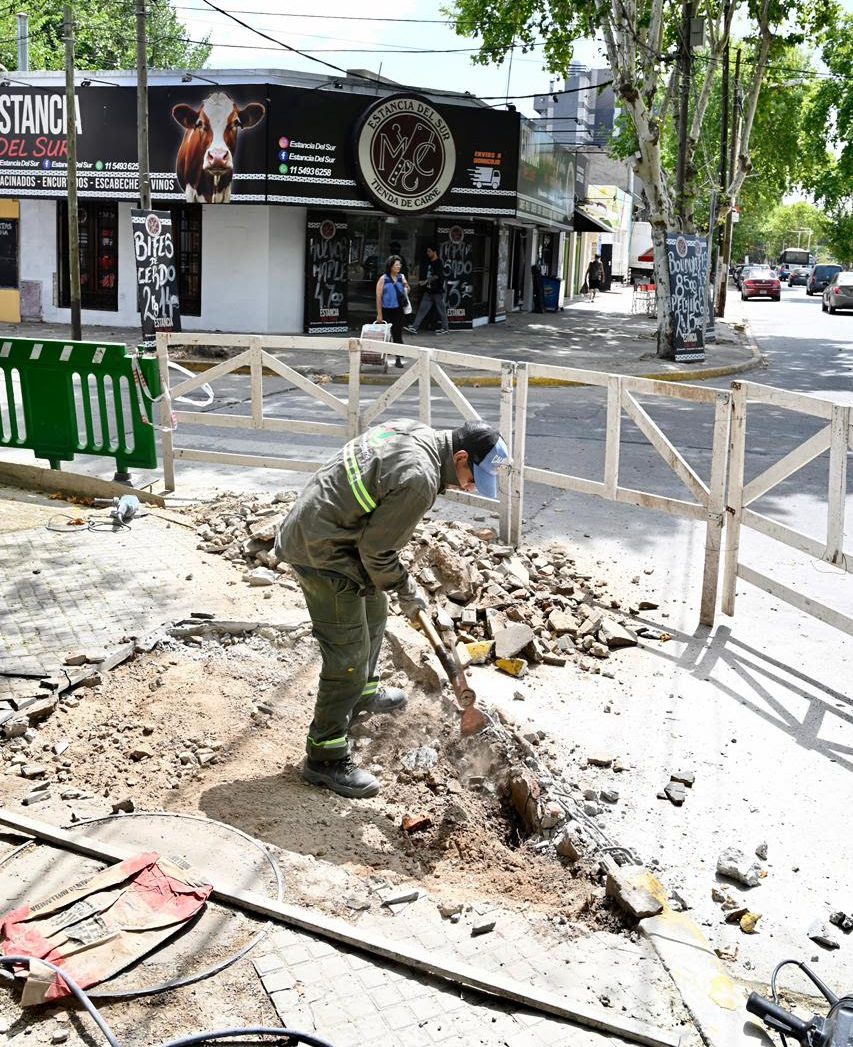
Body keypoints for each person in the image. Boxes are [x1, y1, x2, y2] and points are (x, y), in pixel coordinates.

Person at [275, 418, 511, 799]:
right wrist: (407, 588)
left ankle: (363, 694)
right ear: (461, 457)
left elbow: (374, 542)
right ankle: (325, 756)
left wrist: (394, 588)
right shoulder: (419, 479)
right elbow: (378, 552)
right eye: (472, 478)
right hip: (323, 551)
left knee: (375, 613)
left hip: (336, 533)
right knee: (347, 654)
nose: (469, 487)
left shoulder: (415, 432)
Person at [405, 245, 449, 336]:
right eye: (427, 251)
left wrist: (425, 281)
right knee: (422, 309)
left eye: (429, 251)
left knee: (441, 310)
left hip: (437, 291)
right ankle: (415, 327)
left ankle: (445, 328)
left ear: (434, 252)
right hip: (428, 291)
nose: (428, 253)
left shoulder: (438, 263)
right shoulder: (429, 262)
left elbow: (437, 275)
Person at [375, 255, 410, 368]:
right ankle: (383, 358)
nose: (399, 266)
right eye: (396, 265)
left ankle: (398, 358)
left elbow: (407, 291)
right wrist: (379, 314)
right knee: (385, 335)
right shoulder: (383, 279)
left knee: (397, 333)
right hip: (386, 310)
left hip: (398, 310)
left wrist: (406, 286)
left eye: (400, 265)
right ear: (390, 266)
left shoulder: (401, 277)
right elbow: (379, 297)